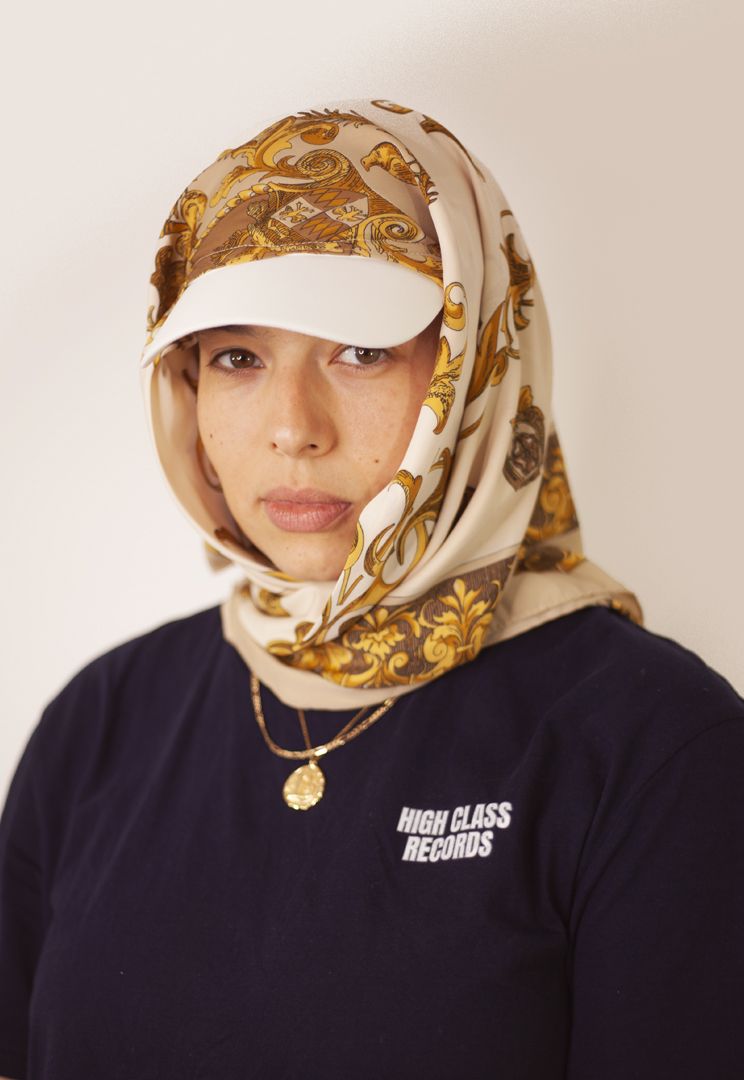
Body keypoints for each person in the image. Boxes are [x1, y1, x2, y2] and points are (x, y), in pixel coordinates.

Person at [0, 100, 742, 1080]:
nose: (292, 427)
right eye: (237, 357)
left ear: (476, 368)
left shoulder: (655, 746)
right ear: (185, 386)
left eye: (361, 350)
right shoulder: (99, 724)